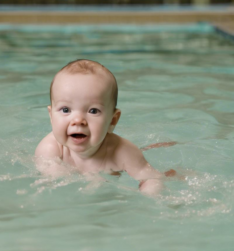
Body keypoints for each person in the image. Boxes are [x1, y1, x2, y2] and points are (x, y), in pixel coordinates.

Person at [35, 59, 176, 195]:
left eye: (93, 111)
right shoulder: (50, 149)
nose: (78, 121)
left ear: (112, 120)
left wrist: (147, 196)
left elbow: (152, 179)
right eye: (66, 110)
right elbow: (58, 183)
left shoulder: (122, 151)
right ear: (51, 116)